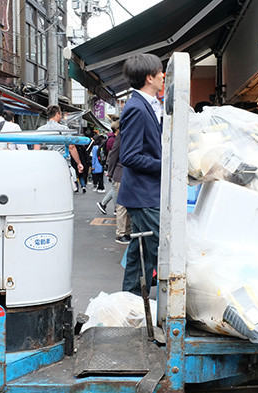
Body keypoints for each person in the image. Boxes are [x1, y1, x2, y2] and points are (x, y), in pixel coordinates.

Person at [117, 54, 165, 295]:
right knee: (163, 254)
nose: (162, 76)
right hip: (144, 195)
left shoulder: (147, 104)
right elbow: (130, 157)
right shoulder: (136, 108)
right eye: (160, 72)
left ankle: (128, 304)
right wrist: (165, 164)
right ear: (149, 77)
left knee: (139, 257)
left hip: (143, 194)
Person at [97, 123, 132, 244]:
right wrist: (110, 172)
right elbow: (113, 155)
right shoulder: (121, 137)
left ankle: (127, 232)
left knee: (127, 205)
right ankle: (121, 234)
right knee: (122, 205)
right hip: (120, 174)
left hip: (127, 175)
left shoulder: (128, 135)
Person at [32, 105, 84, 178]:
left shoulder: (40, 130)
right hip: (62, 162)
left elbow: (36, 149)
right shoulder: (64, 129)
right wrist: (79, 163)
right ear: (57, 114)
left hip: (46, 163)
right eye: (60, 114)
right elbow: (71, 147)